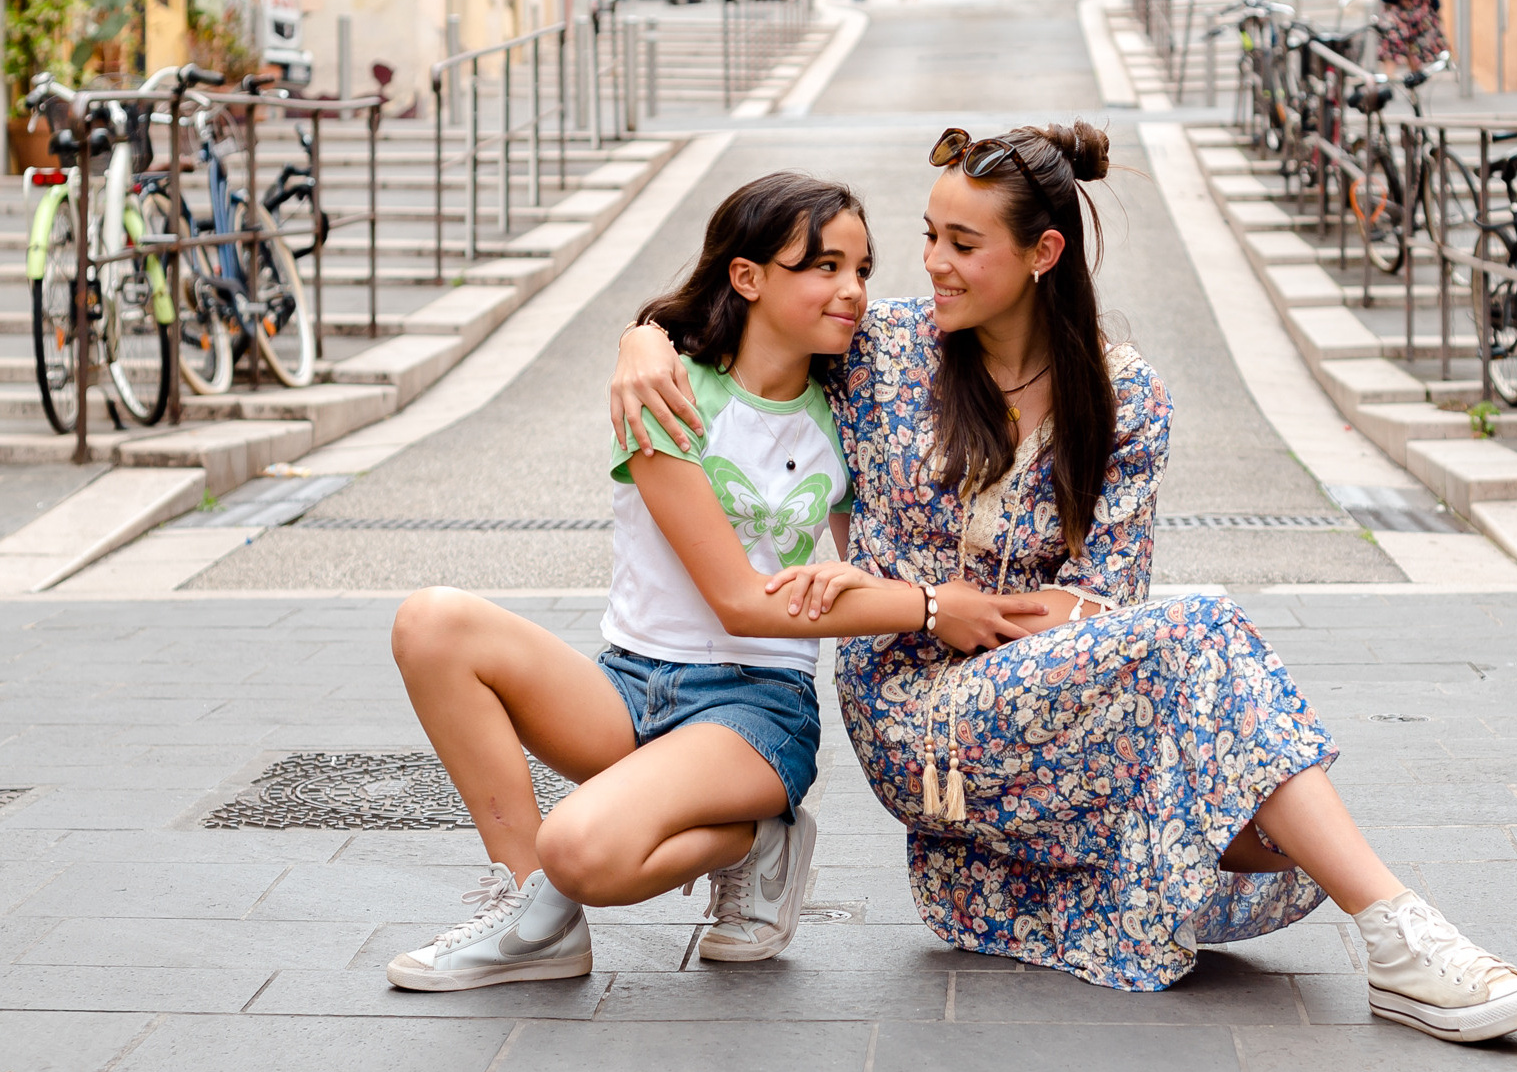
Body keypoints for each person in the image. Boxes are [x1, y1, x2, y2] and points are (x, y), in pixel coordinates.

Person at [613, 124, 1517, 1043]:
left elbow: (1103, 600)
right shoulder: (883, 349)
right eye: (929, 238)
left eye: (963, 243)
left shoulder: (1124, 396)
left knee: (1227, 765)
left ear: (1042, 253)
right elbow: (740, 311)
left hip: (1052, 697)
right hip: (910, 712)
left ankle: (1396, 932)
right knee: (1200, 633)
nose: (930, 264)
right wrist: (641, 338)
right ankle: (1399, 932)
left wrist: (1038, 617)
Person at [387, 172, 1043, 991]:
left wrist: (871, 582)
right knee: (431, 622)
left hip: (755, 710)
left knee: (583, 849)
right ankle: (533, 915)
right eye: (825, 266)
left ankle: (758, 837)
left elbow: (852, 569)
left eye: (864, 270)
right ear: (748, 277)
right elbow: (736, 596)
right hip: (628, 686)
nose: (853, 291)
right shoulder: (668, 393)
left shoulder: (849, 411)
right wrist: (932, 608)